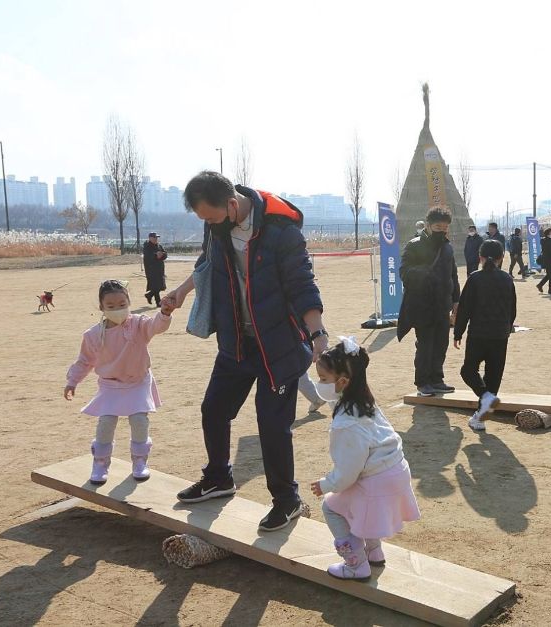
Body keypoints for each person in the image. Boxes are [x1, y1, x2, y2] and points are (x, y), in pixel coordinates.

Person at [162, 171, 327, 532]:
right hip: (237, 340)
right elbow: (207, 263)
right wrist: (182, 290)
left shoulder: (282, 232)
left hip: (278, 345)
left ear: (232, 205)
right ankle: (219, 478)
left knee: (272, 425)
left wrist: (317, 334)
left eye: (211, 217)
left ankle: (288, 500)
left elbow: (303, 284)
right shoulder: (217, 227)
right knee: (214, 409)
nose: (208, 224)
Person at [310, 338, 420, 581]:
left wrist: (326, 484)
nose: (319, 384)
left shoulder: (346, 425)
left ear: (343, 382)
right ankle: (374, 551)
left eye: (323, 379)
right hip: (395, 469)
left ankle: (355, 564)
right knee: (361, 509)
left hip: (377, 478)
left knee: (333, 507)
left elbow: (349, 471)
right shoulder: (364, 401)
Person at [65, 279, 172, 485]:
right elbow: (85, 360)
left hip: (138, 381)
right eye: (111, 306)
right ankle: (100, 463)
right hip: (110, 384)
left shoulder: (139, 324)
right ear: (101, 307)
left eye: (122, 304)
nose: (117, 310)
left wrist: (165, 313)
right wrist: (72, 381)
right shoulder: (93, 335)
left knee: (139, 420)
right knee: (106, 423)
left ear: (129, 302)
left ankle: (140, 461)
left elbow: (156, 326)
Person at [453, 240, 516, 431]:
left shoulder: (474, 278)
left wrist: (458, 332)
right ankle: (480, 416)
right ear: (501, 258)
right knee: (493, 377)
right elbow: (512, 309)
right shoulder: (507, 279)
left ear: (479, 257)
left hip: (478, 334)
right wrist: (507, 327)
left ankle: (484, 399)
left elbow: (464, 309)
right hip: (500, 335)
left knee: (468, 371)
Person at [397, 207, 460, 397]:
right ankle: (423, 382)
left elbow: (453, 276)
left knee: (441, 344)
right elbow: (404, 273)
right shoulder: (414, 245)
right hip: (422, 305)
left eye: (445, 227)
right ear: (428, 226)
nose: (442, 230)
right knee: (425, 345)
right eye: (438, 226)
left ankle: (437, 379)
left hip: (442, 305)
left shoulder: (447, 247)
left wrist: (456, 301)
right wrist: (425, 271)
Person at [142, 232, 168, 306]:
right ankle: (156, 300)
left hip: (159, 269)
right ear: (150, 238)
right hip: (151, 269)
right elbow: (148, 257)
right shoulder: (147, 246)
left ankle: (151, 297)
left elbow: (165, 254)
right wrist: (156, 255)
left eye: (157, 237)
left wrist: (163, 255)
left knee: (159, 285)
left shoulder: (159, 246)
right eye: (154, 237)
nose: (156, 239)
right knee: (156, 286)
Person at [536, 227, 551, 294]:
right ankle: (550, 289)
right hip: (550, 260)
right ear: (548, 234)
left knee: (549, 275)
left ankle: (540, 285)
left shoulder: (545, 241)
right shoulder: (549, 242)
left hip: (546, 260)